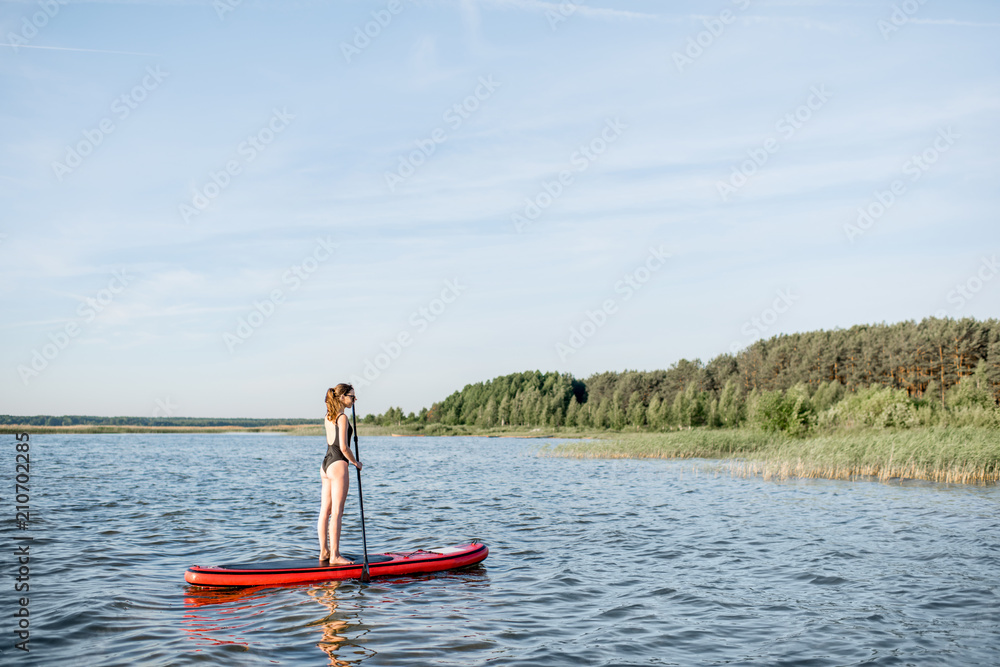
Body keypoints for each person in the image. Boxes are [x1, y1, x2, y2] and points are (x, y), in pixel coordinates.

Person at [318, 384, 362, 564]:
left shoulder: (328, 416)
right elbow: (344, 447)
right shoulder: (342, 417)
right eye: (352, 396)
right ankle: (335, 556)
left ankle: (324, 552)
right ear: (342, 397)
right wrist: (355, 462)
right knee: (336, 512)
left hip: (326, 464)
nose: (354, 399)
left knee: (324, 511)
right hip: (338, 465)